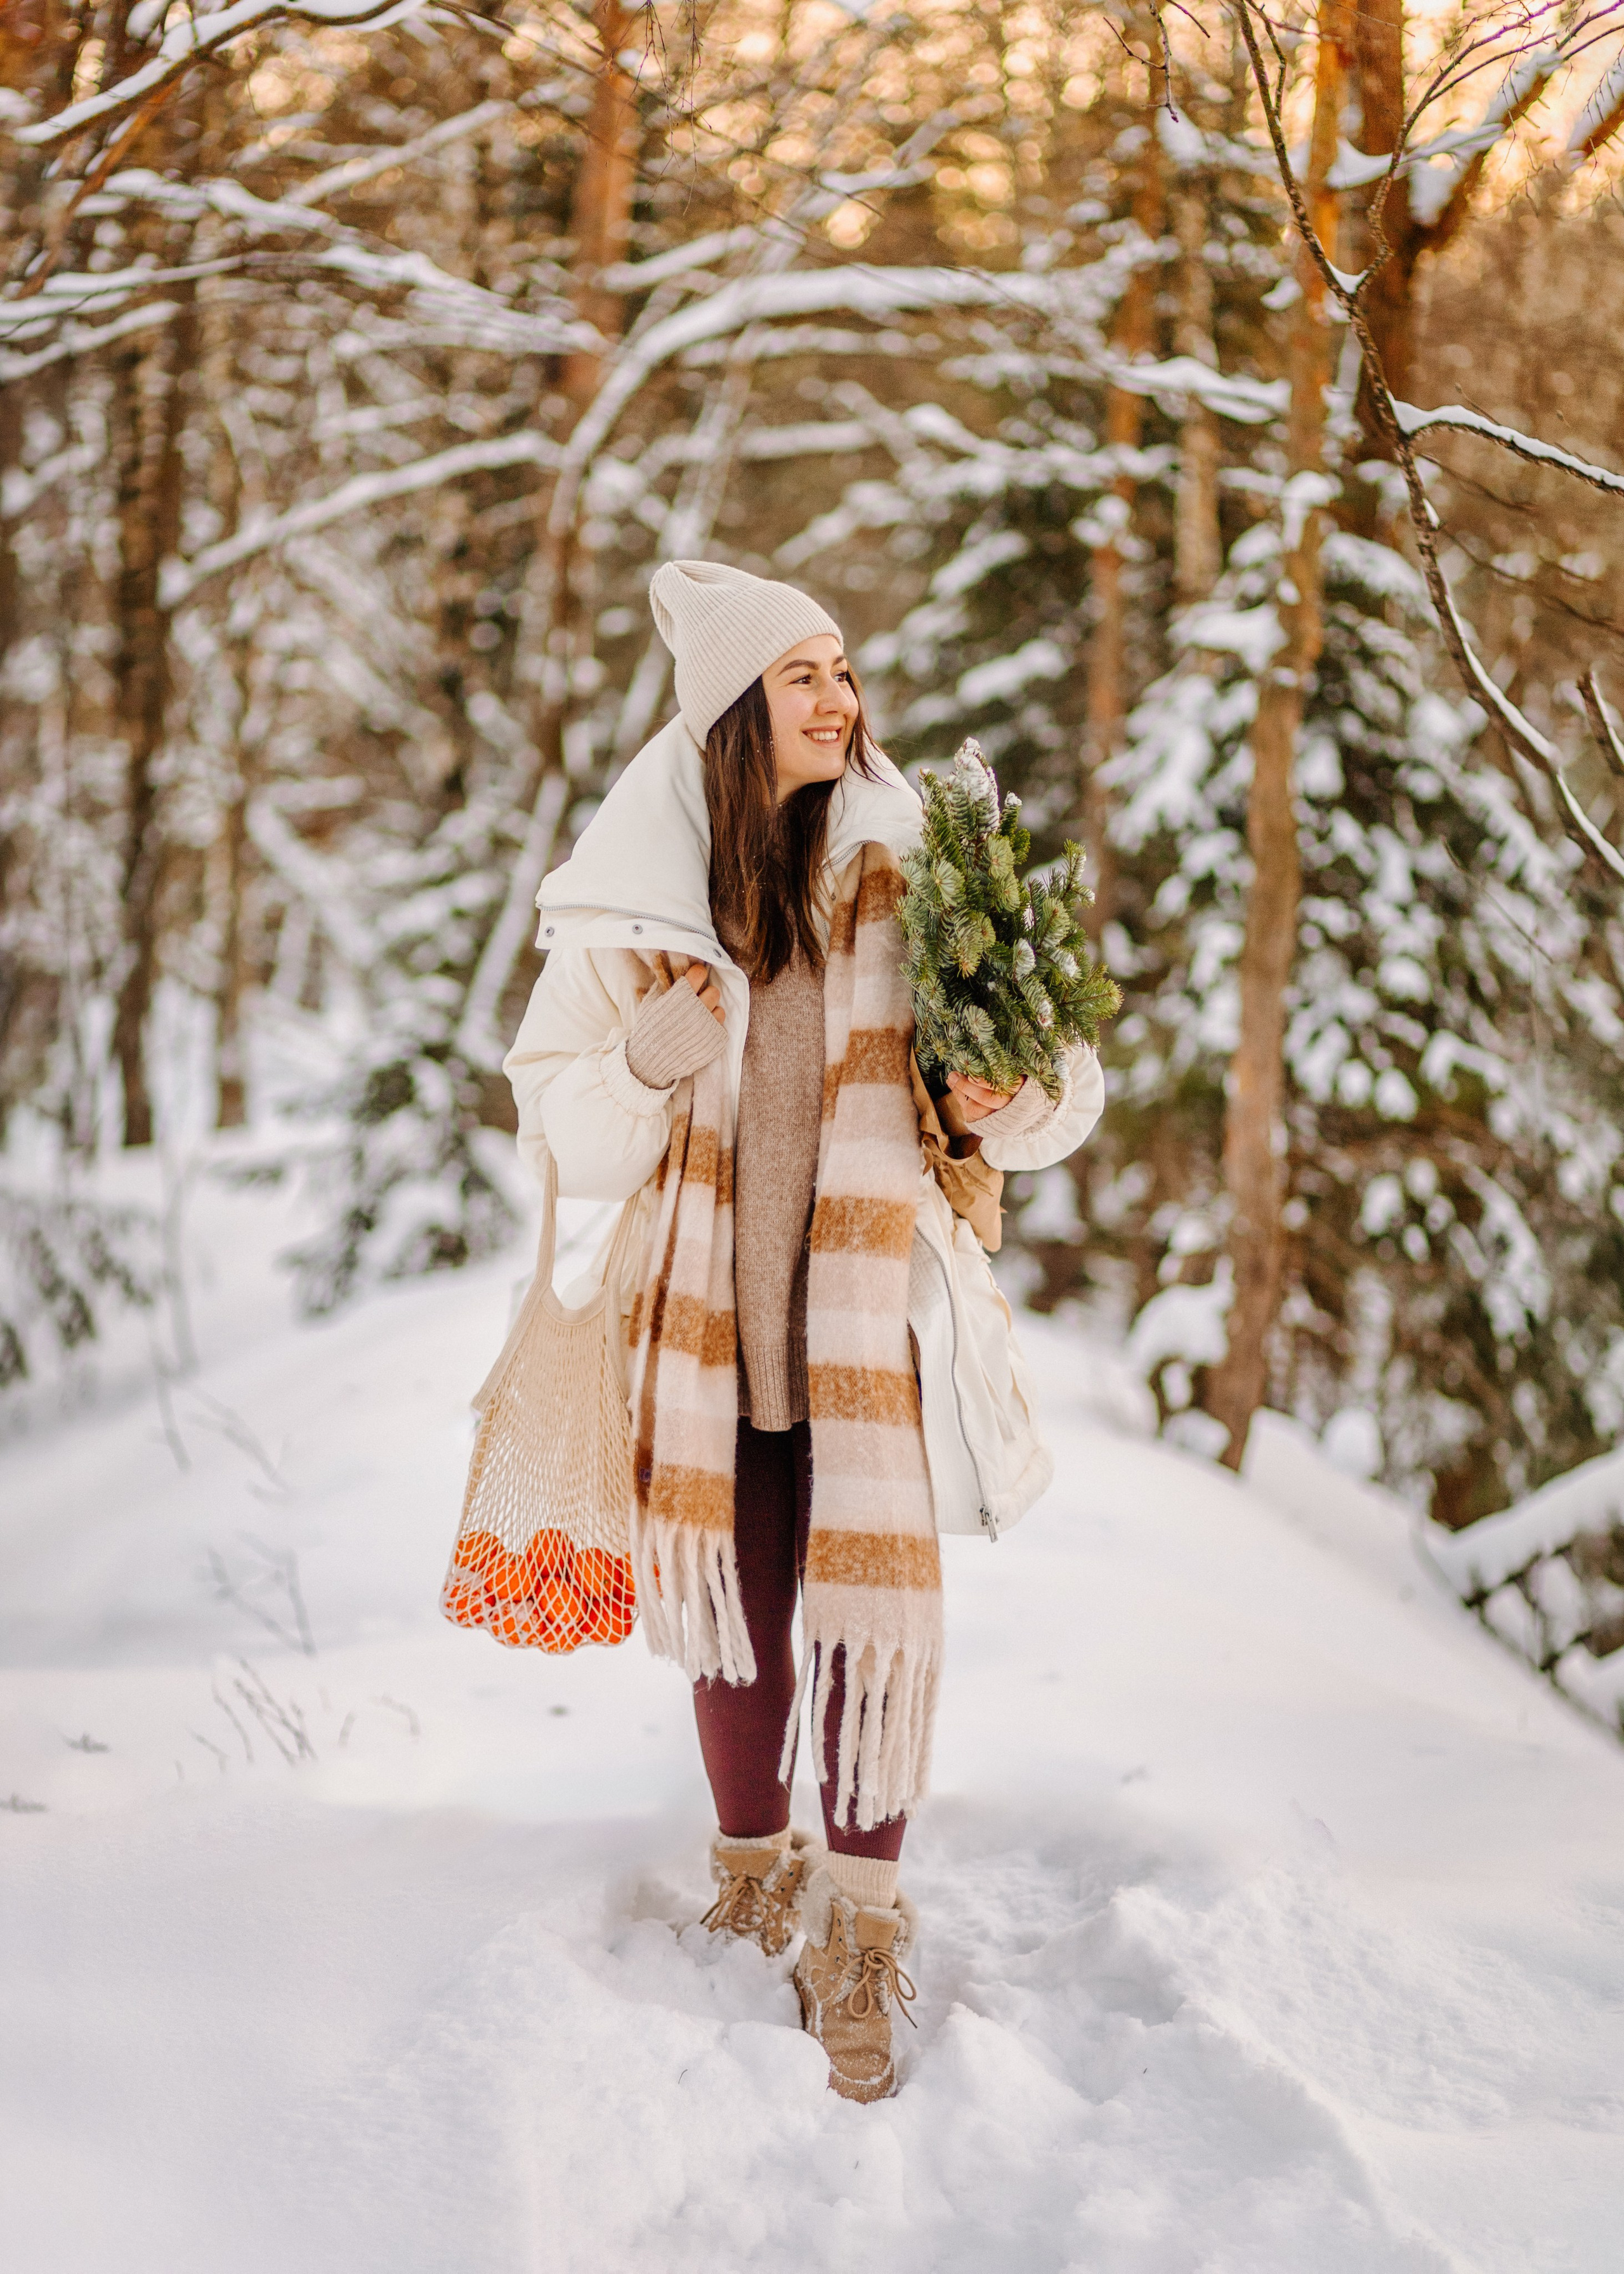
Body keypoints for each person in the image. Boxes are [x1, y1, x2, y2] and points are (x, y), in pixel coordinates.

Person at [504, 560, 1103, 2101]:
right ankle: (753, 1874)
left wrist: (997, 1097)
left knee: (856, 1623)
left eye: (842, 669)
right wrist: (640, 1060)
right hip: (706, 1326)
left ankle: (857, 1932)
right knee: (738, 1614)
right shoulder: (641, 894)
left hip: (864, 1329)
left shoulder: (912, 860)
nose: (840, 699)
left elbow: (1057, 1087)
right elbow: (553, 1119)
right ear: (732, 712)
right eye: (802, 676)